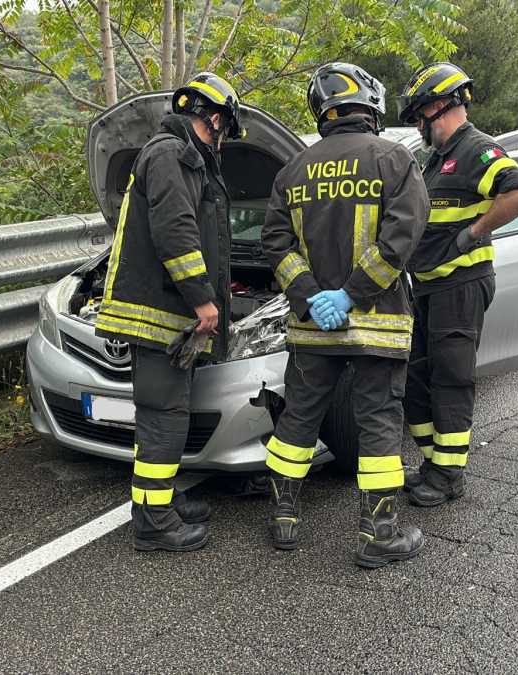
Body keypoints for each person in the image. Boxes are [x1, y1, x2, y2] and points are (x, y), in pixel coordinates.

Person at [262, 62, 429, 568]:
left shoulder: (293, 170)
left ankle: (283, 519)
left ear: (323, 112)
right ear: (371, 106)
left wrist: (313, 296)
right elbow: (402, 237)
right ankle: (379, 535)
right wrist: (352, 295)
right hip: (376, 322)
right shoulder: (395, 159)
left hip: (313, 327)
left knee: (299, 415)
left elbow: (275, 242)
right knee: (378, 419)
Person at [93, 73, 243, 552]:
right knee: (163, 415)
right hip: (156, 311)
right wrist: (203, 298)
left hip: (162, 310)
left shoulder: (175, 155)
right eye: (225, 133)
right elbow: (176, 231)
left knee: (165, 413)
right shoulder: (170, 155)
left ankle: (158, 498)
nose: (222, 144)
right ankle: (154, 521)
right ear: (214, 119)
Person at [397, 62, 518, 507]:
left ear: (439, 106)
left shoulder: (477, 148)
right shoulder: (436, 158)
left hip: (461, 285)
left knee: (452, 378)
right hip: (426, 287)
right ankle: (433, 462)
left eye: (420, 116)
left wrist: (471, 234)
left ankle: (449, 475)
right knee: (417, 376)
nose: (420, 127)